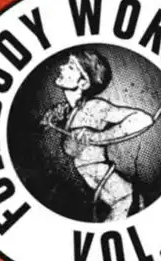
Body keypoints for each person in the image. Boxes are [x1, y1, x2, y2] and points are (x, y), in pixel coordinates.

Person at [41, 50, 154, 221]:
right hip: (94, 185)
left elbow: (143, 119)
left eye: (71, 67)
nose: (61, 67)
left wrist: (98, 137)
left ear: (84, 83)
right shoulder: (68, 111)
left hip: (116, 189)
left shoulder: (95, 107)